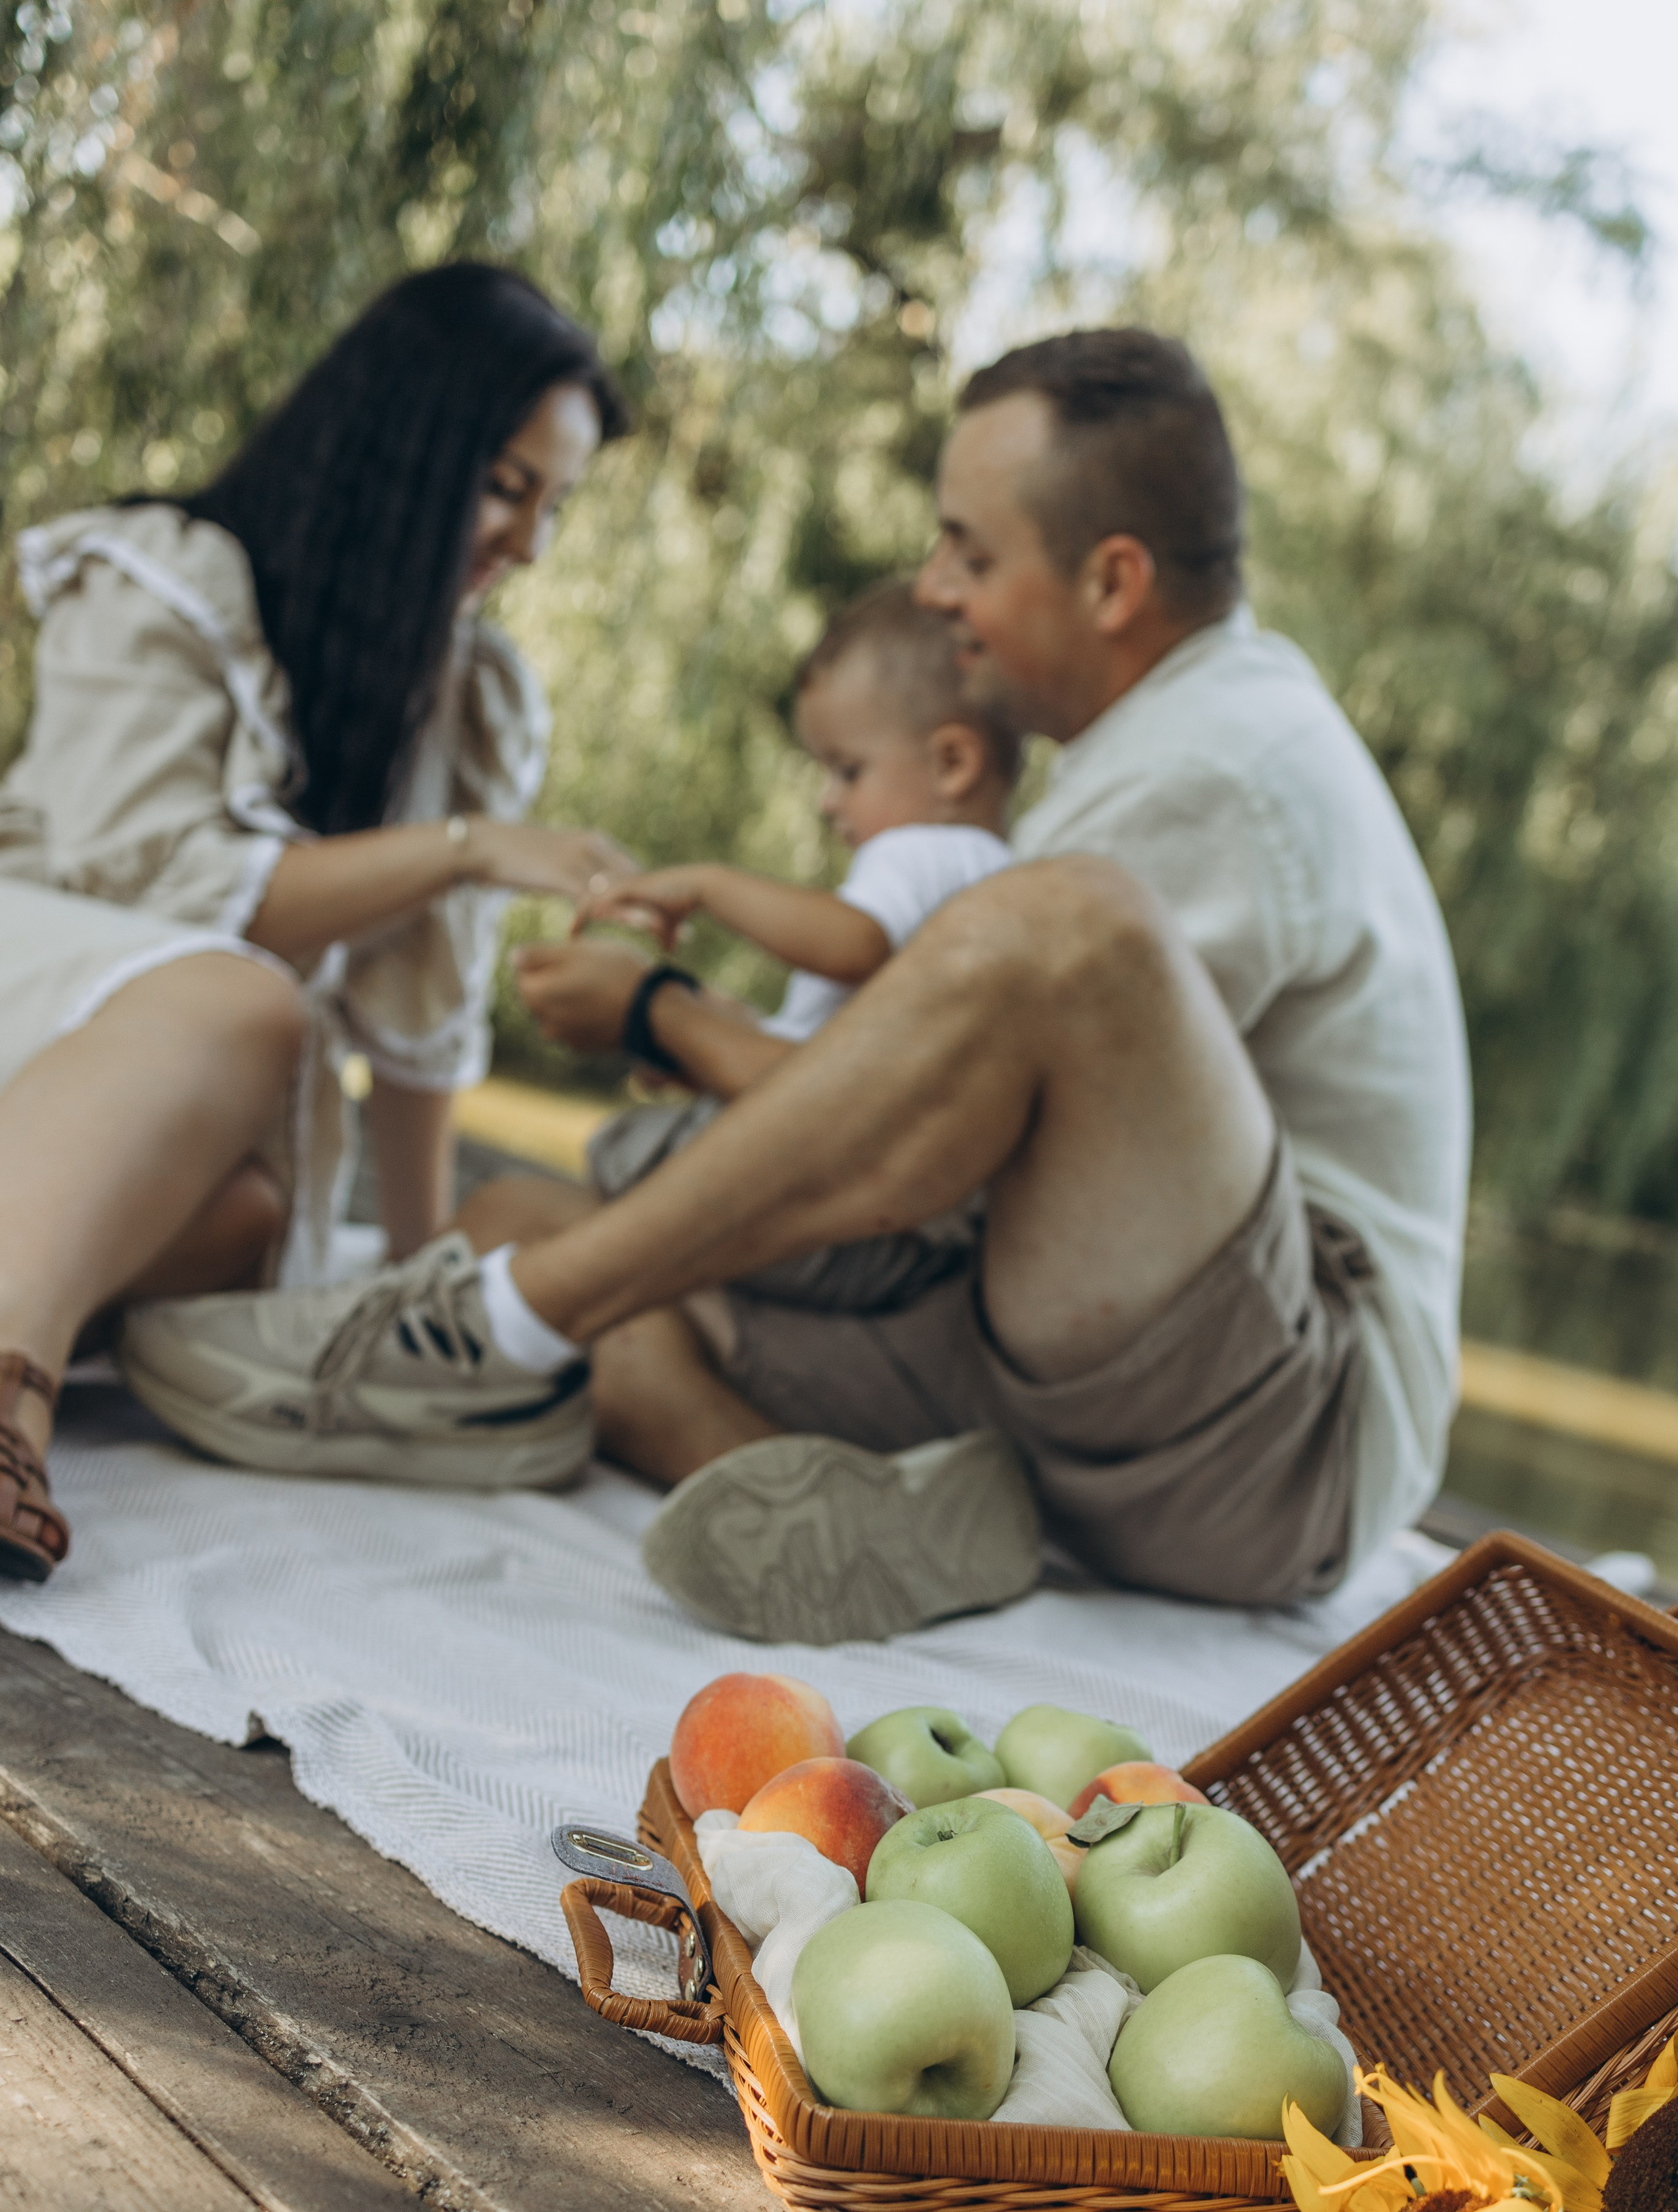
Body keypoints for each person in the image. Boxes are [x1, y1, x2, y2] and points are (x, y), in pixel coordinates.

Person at [118, 328, 1472, 1655]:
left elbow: (926, 1155)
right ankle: (837, 1506)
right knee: (512, 1221)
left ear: (1113, 581)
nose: (933, 588)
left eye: (970, 552)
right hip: (1103, 1379)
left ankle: (500, 1328)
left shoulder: (1220, 762)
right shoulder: (1149, 745)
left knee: (1070, 926)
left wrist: (664, 1016)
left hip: (1283, 1438)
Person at [0, 262, 632, 1584]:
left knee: (248, 1221)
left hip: (164, 1107)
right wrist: (462, 851)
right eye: (507, 486)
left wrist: (417, 1281)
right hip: (43, 990)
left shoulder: (466, 694)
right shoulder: (167, 576)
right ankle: (10, 1397)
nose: (530, 543)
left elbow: (418, 1020)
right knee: (246, 1003)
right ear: (406, 448)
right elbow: (150, 891)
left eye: (554, 505)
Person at [572, 578, 1018, 1319]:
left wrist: (708, 886)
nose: (826, 801)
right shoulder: (1002, 872)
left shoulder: (918, 853)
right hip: (904, 1238)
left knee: (620, 1154)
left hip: (818, 1208)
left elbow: (852, 946)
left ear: (951, 764)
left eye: (848, 770)